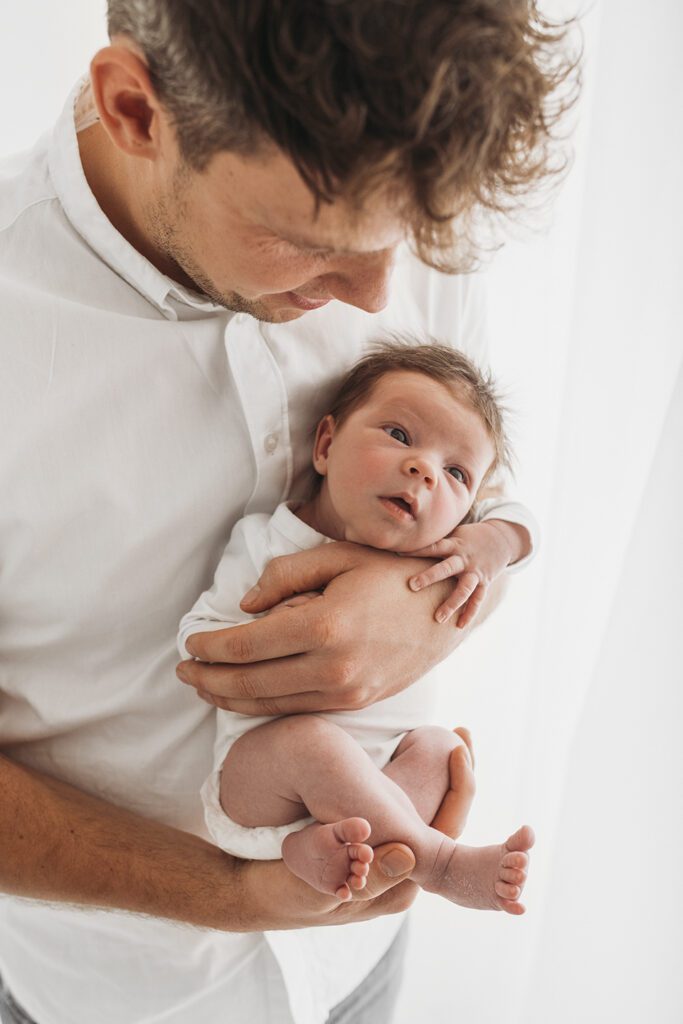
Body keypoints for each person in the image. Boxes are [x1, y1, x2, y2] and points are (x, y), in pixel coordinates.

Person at [0, 2, 576, 1022]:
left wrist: (424, 606)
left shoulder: (401, 175)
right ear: (134, 108)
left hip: (362, 963)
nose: (376, 292)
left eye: (404, 235)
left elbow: (491, 492)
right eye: (305, 242)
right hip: (131, 991)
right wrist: (230, 894)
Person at [178, 340, 537, 911]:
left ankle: (324, 853)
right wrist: (269, 633)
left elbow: (519, 522)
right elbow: (196, 639)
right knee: (310, 743)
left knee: (444, 750)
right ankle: (436, 861)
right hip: (261, 782)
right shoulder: (269, 543)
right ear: (325, 445)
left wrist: (494, 541)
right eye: (399, 435)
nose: (423, 470)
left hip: (384, 786)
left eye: (457, 473)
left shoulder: (440, 556)